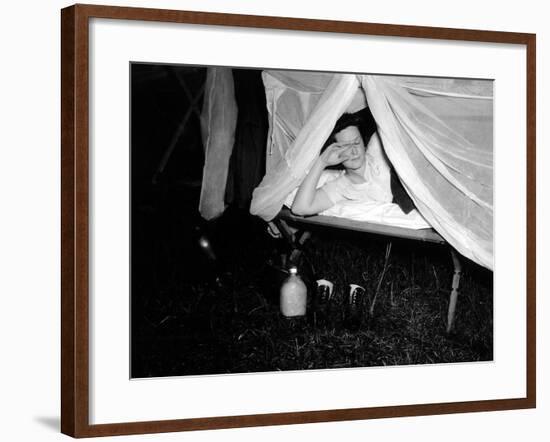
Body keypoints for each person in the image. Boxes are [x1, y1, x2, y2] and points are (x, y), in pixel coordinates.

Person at [291, 108, 393, 217]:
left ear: (364, 143)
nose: (354, 151)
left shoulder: (378, 150)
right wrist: (321, 162)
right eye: (345, 146)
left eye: (356, 142)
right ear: (333, 151)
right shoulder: (340, 187)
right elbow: (300, 208)